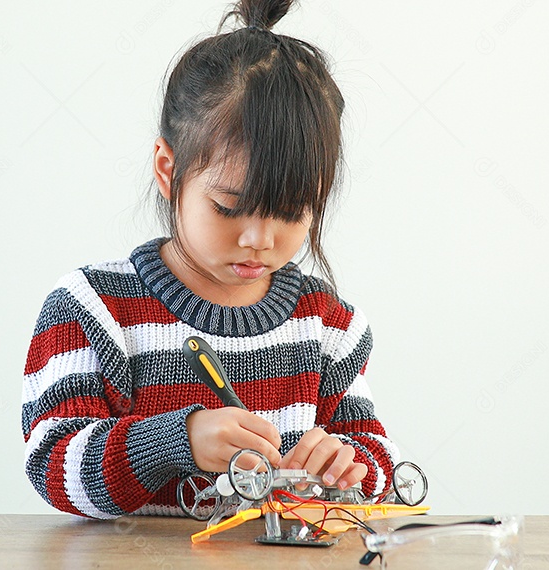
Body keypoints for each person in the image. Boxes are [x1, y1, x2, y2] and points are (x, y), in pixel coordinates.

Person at [21, 0, 400, 519]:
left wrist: (346, 467)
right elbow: (53, 468)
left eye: (292, 212)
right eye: (229, 207)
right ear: (166, 169)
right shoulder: (92, 309)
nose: (258, 239)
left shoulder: (329, 326)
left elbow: (383, 470)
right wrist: (179, 440)